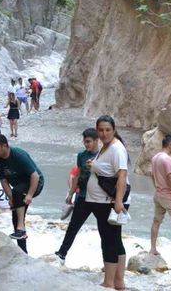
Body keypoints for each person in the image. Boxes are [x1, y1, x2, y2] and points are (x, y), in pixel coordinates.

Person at [85, 115, 130, 289]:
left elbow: (122, 175)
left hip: (110, 203)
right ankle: (119, 281)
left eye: (107, 130)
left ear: (114, 130)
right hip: (102, 202)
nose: (104, 133)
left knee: (109, 241)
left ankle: (109, 282)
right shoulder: (105, 148)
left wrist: (118, 201)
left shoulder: (116, 149)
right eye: (101, 130)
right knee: (115, 239)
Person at [0, 134, 44, 253]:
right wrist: (11, 199)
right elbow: (4, 182)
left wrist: (29, 195)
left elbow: (34, 176)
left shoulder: (18, 155)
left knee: (17, 191)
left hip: (36, 183)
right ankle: (23, 250)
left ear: (4, 146)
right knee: (15, 213)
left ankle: (21, 228)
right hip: (19, 188)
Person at [55, 128, 99, 261]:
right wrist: (71, 193)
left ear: (96, 141)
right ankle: (62, 252)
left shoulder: (103, 155)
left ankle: (107, 259)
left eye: (89, 142)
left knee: (104, 229)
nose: (86, 144)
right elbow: (77, 175)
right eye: (85, 142)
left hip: (99, 198)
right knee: (73, 226)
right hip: (83, 196)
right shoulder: (81, 155)